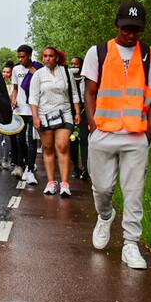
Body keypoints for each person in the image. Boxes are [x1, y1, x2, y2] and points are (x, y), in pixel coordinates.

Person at [83, 1, 151, 270]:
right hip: (103, 132)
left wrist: (148, 132)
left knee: (134, 191)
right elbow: (90, 91)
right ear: (116, 26)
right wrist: (94, 125)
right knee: (102, 188)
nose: (131, 35)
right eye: (126, 29)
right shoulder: (98, 52)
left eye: (136, 30)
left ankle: (131, 244)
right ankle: (105, 215)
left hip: (135, 135)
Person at [28, 46, 81, 197]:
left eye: (51, 56)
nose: (47, 58)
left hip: (64, 113)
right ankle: (51, 183)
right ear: (42, 58)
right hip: (44, 114)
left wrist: (77, 112)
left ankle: (65, 184)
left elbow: (74, 93)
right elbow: (33, 98)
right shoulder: (38, 75)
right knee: (48, 148)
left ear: (56, 57)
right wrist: (35, 117)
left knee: (63, 146)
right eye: (45, 56)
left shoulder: (65, 72)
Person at [10, 45, 42, 185]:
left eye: (23, 56)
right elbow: (15, 88)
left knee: (32, 140)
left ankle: (30, 168)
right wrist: (13, 99)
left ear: (30, 55)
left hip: (33, 110)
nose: (20, 59)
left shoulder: (38, 68)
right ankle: (22, 163)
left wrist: (36, 74)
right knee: (20, 139)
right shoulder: (16, 69)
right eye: (19, 57)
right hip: (20, 110)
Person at [69, 56, 89, 180]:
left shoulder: (86, 79)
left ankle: (85, 168)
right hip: (70, 112)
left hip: (84, 112)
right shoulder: (68, 78)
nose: (74, 66)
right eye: (72, 64)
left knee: (84, 140)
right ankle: (75, 167)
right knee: (72, 140)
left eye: (77, 64)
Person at [0, 63, 14, 170]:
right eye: (4, 71)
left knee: (8, 136)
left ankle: (5, 159)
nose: (5, 74)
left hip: (10, 112)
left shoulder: (14, 85)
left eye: (8, 72)